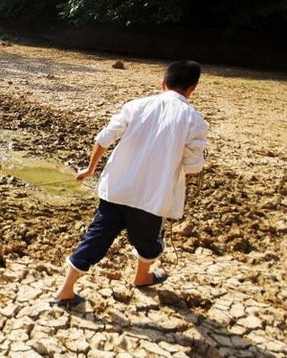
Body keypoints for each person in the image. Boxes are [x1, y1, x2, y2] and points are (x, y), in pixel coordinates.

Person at [52, 60, 209, 306]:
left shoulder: (137, 106)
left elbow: (105, 137)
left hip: (116, 189)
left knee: (96, 238)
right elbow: (193, 166)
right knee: (148, 241)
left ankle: (65, 291)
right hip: (151, 198)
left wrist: (91, 168)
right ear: (192, 89)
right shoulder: (194, 120)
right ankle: (142, 276)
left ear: (163, 83)